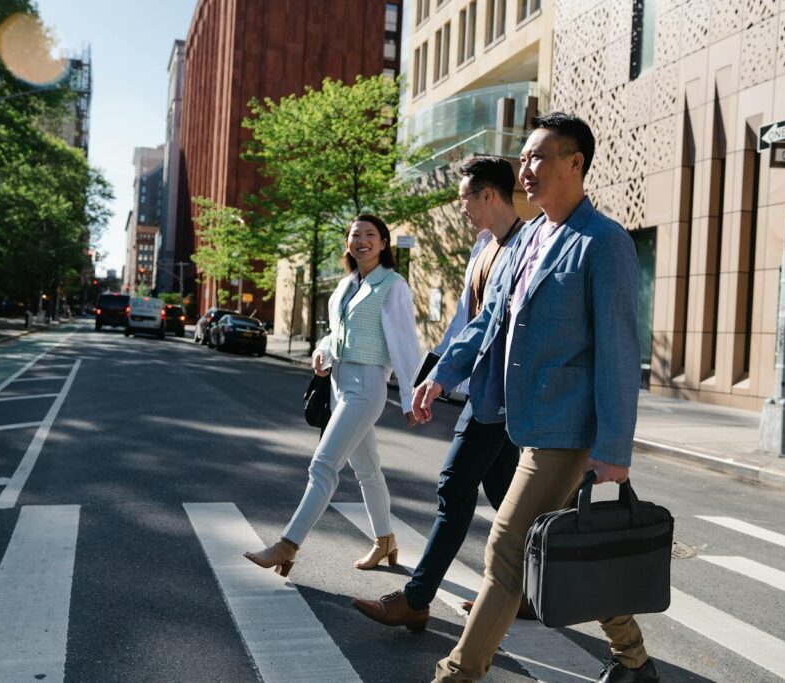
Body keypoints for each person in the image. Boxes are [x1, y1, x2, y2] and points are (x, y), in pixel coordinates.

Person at [415, 113, 658, 683]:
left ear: (575, 164)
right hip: (524, 421)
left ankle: (458, 672)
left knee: (505, 547)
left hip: (568, 431)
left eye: (538, 157)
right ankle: (634, 661)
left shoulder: (604, 243)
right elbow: (488, 323)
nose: (525, 168)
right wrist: (439, 374)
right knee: (573, 546)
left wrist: (614, 450)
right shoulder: (527, 240)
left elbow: (620, 354)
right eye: (523, 158)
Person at [352, 157, 526, 632]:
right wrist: (433, 374)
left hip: (502, 393)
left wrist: (442, 378)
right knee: (505, 493)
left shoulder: (526, 247)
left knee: (454, 487)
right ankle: (526, 591)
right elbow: (464, 323)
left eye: (465, 197)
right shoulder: (483, 246)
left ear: (488, 195)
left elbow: (496, 327)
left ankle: (416, 597)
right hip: (484, 389)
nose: (461, 206)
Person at [244, 214, 421, 576]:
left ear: (384, 243)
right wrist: (323, 349)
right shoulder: (345, 286)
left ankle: (288, 544)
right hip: (340, 384)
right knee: (368, 471)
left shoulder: (393, 284)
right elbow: (335, 331)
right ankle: (385, 539)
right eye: (355, 235)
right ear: (347, 244)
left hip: (367, 386)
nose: (362, 241)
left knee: (323, 465)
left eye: (371, 235)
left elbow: (405, 344)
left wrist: (410, 397)